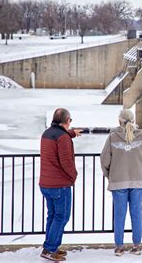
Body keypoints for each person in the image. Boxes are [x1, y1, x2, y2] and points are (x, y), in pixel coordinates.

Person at [100, 109, 142, 256]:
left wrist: (111, 176)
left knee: (119, 215)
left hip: (118, 182)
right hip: (138, 181)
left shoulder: (112, 137)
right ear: (133, 120)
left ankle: (119, 247)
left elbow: (104, 160)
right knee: (136, 214)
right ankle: (137, 246)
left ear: (119, 120)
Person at [39, 108, 81, 261]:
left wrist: (71, 133)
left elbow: (60, 135)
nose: (71, 123)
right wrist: (74, 175)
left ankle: (51, 246)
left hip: (46, 183)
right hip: (59, 184)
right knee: (62, 216)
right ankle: (50, 249)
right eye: (70, 120)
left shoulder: (47, 134)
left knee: (53, 216)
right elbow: (66, 161)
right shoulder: (62, 138)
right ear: (66, 121)